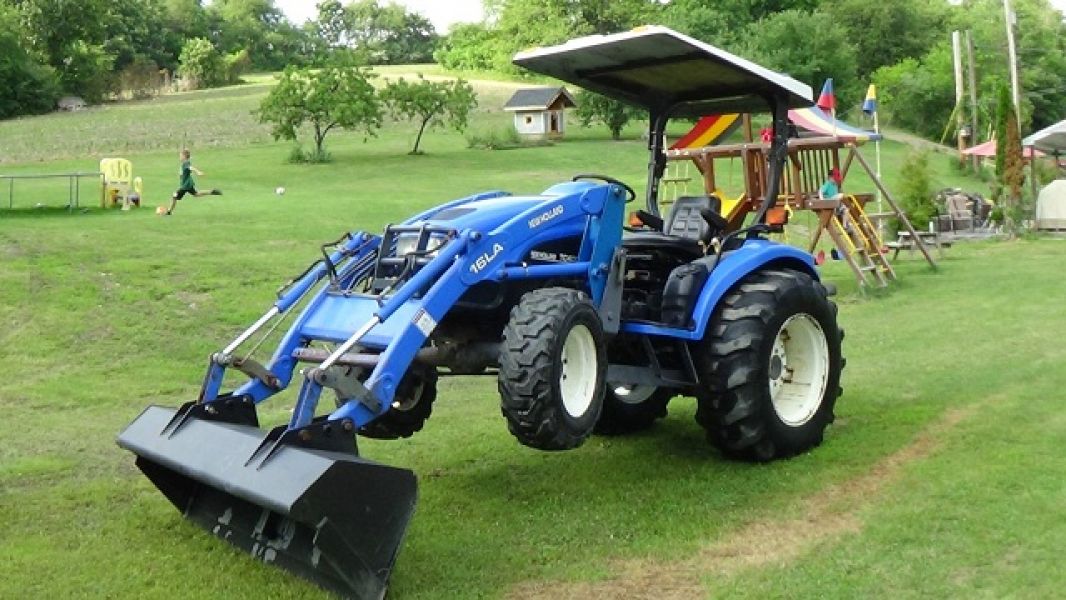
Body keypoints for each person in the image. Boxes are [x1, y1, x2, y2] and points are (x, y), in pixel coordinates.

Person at [166, 149, 221, 215]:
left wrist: (198, 172)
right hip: (188, 184)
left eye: (180, 156)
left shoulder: (185, 163)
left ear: (184, 156)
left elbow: (191, 168)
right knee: (196, 194)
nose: (179, 157)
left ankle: (169, 211)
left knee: (174, 196)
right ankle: (211, 192)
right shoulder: (185, 163)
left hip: (185, 186)